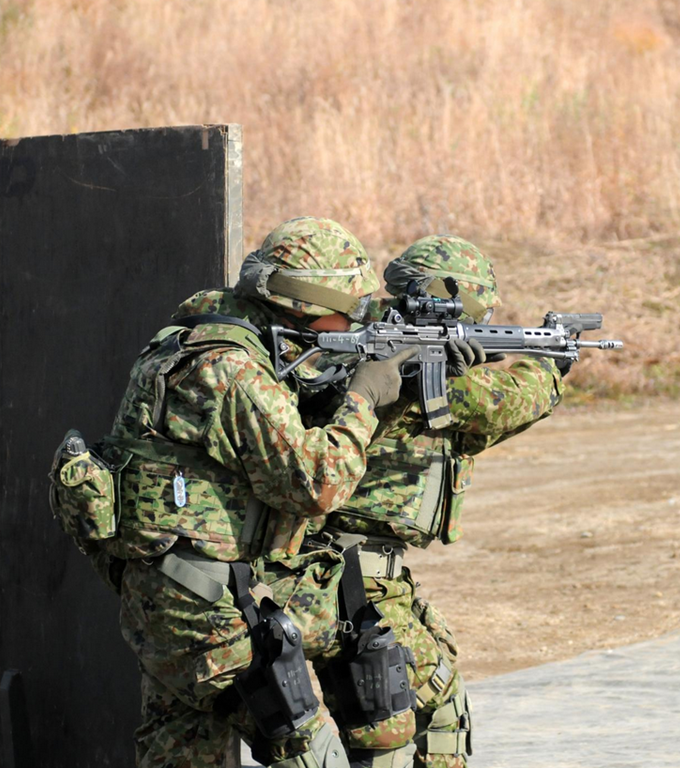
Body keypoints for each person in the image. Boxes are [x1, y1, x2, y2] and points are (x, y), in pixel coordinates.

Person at [98, 217, 418, 768]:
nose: (356, 320)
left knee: (180, 753)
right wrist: (365, 397)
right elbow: (315, 483)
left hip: (173, 596)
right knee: (310, 751)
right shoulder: (231, 368)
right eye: (350, 308)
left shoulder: (209, 335)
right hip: (203, 615)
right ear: (306, 306)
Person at [308, 235, 567, 768]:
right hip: (351, 575)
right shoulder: (390, 355)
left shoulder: (364, 337)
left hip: (352, 569)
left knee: (417, 716)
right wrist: (549, 366)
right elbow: (494, 405)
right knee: (425, 721)